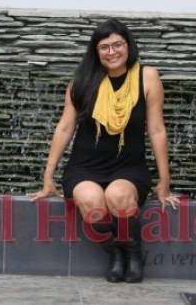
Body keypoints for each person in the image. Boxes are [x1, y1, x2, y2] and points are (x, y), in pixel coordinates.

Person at [28, 18, 179, 283]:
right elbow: (65, 128)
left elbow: (157, 130)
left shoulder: (147, 77)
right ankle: (117, 253)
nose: (112, 52)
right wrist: (48, 176)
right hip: (85, 167)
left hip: (128, 167)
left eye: (117, 45)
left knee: (118, 196)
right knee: (91, 202)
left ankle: (132, 253)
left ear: (128, 45)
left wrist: (164, 181)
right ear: (96, 52)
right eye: (104, 47)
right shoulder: (83, 80)